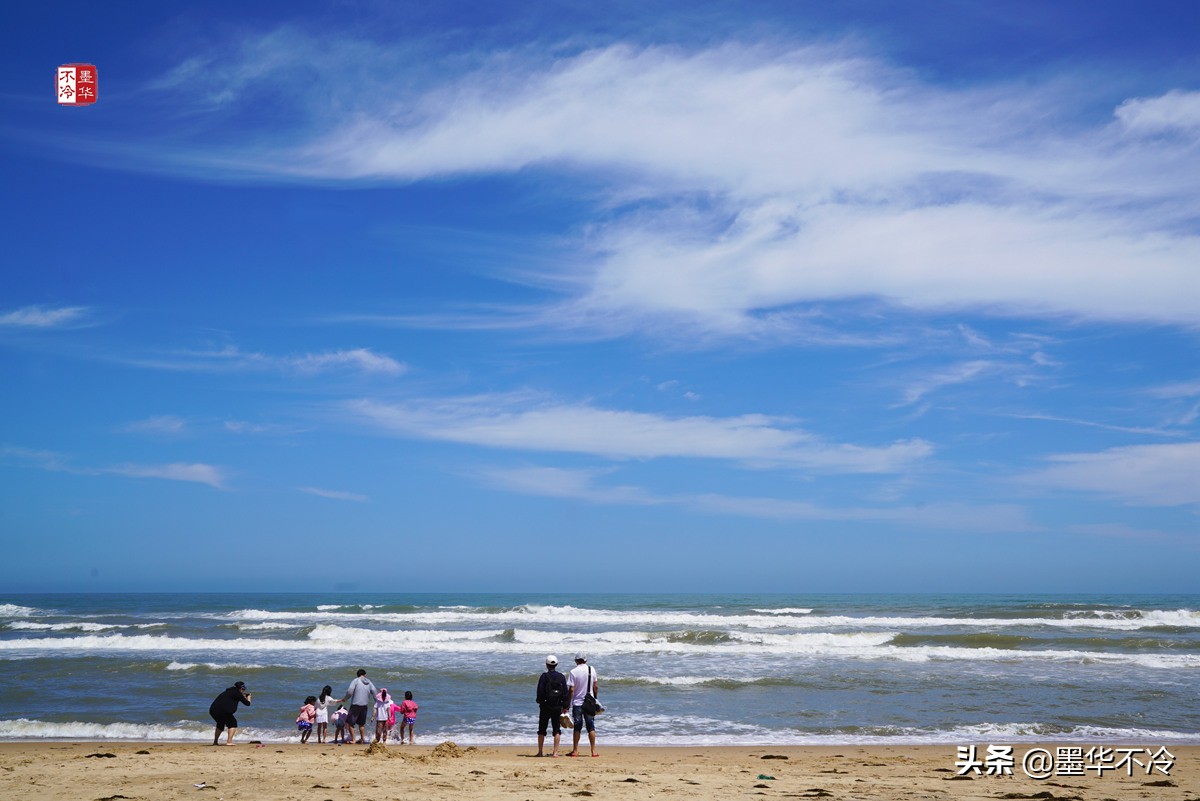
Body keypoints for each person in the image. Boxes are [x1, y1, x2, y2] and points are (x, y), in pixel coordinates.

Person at [566, 654, 599, 757]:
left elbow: (571, 690)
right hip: (589, 703)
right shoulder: (591, 669)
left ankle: (575, 750)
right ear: (585, 660)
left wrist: (568, 703)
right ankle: (593, 751)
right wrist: (595, 699)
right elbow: (595, 686)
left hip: (577, 703)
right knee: (591, 726)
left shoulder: (573, 672)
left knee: (577, 727)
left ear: (576, 661)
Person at [535, 655, 567, 757]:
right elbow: (565, 693)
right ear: (556, 665)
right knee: (556, 729)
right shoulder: (561, 677)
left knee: (542, 729)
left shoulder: (544, 676)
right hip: (557, 706)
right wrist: (565, 706)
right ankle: (555, 752)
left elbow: (540, 691)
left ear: (546, 665)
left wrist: (540, 701)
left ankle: (540, 752)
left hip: (545, 706)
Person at [338, 669, 378, 744]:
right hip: (364, 706)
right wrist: (377, 702)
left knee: (350, 723)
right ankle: (362, 739)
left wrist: (345, 699)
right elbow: (374, 692)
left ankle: (353, 739)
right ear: (365, 674)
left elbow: (350, 691)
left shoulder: (356, 681)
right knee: (361, 724)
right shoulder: (369, 682)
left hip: (355, 705)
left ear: (358, 675)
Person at [208, 680, 251, 746]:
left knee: (220, 724)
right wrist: (249, 698)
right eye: (243, 689)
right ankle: (229, 741)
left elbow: (232, 699)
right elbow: (247, 703)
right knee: (233, 723)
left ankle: (215, 742)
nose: (243, 690)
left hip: (213, 710)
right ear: (240, 688)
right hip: (223, 711)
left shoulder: (228, 692)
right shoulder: (237, 693)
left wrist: (241, 696)